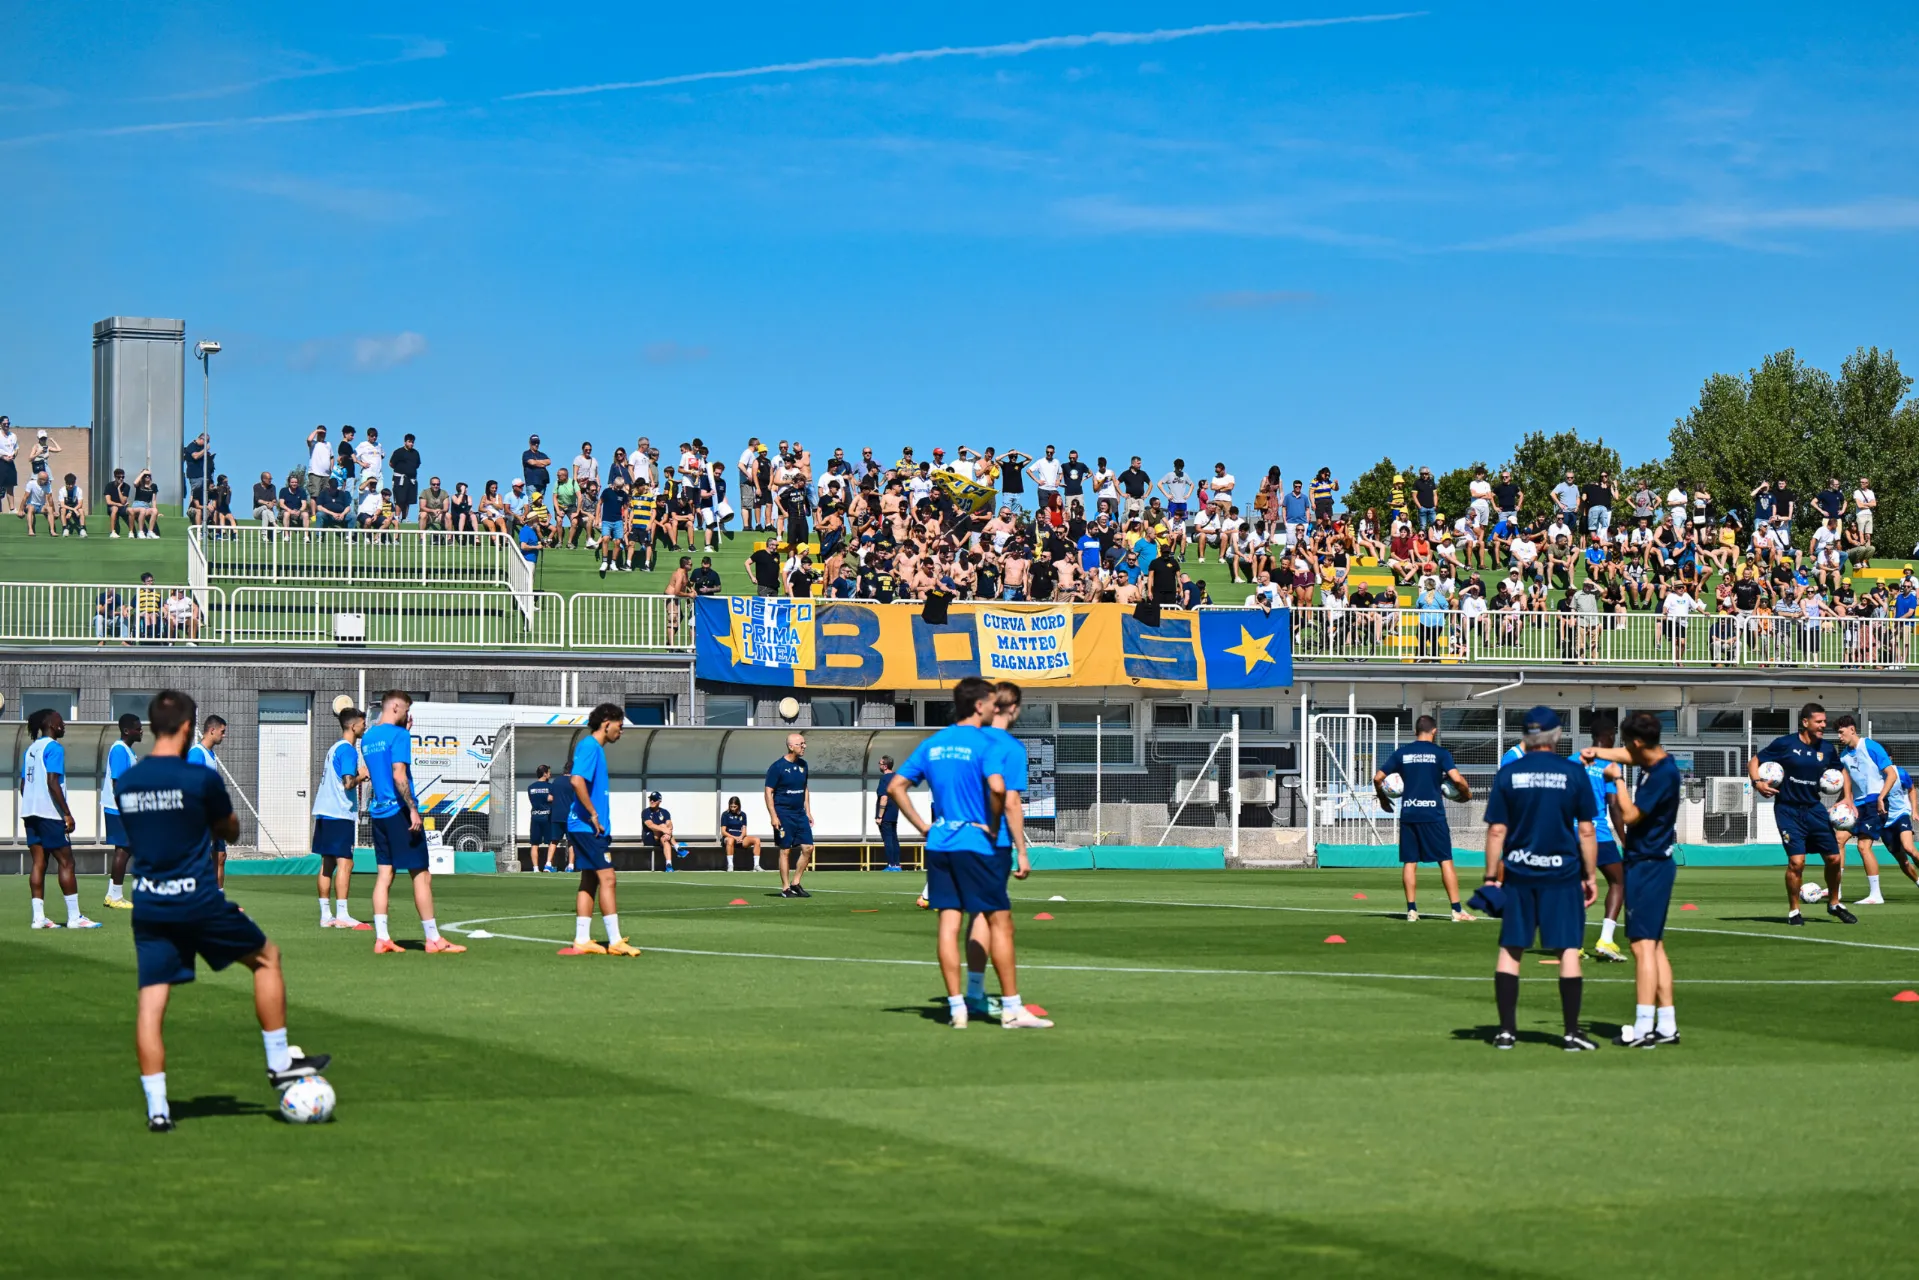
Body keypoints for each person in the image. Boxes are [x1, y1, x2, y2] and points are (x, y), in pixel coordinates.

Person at [123, 689, 332, 1132]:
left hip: (149, 904)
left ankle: (158, 1110)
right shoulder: (199, 778)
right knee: (266, 958)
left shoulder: (130, 781)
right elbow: (230, 832)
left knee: (152, 1003)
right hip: (196, 900)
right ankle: (279, 1061)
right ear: (186, 728)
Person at [888, 677, 1050, 1030]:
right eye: (991, 701)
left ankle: (957, 1007)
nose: (995, 707)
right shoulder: (987, 742)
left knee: (949, 923)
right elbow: (1000, 790)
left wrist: (923, 826)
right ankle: (1011, 1008)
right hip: (978, 843)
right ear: (979, 706)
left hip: (940, 842)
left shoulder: (934, 742)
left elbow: (896, 786)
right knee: (998, 921)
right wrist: (992, 825)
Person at [1482, 706, 1599, 1052]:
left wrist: (1491, 877)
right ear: (1557, 735)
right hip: (1562, 875)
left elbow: (1496, 831)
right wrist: (1590, 875)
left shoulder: (1509, 773)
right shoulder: (1573, 772)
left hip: (1519, 873)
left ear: (1525, 736)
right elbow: (1587, 830)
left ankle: (1506, 1032)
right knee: (1567, 949)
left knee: (1511, 949)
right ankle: (1571, 1033)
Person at [1581, 710, 1682, 1047]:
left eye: (1626, 744)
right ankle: (1666, 1026)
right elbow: (1626, 755)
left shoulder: (1661, 775)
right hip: (1653, 863)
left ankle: (1642, 1029)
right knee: (1655, 945)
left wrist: (1618, 780)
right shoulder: (1658, 760)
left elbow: (1630, 815)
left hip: (1647, 865)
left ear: (1638, 743)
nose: (1623, 751)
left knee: (1641, 946)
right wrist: (1597, 752)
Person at [362, 691, 465, 955]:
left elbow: (380, 767)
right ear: (396, 707)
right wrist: (413, 809)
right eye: (407, 710)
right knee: (421, 875)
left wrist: (403, 731)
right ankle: (433, 939)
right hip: (399, 811)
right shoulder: (400, 736)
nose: (408, 715)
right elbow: (398, 774)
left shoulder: (369, 736)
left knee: (384, 875)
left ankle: (382, 938)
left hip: (379, 813)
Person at [1750, 702, 1856, 925]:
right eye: (1819, 721)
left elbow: (1842, 771)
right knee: (1797, 862)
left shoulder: (1827, 749)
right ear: (1805, 722)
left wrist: (1847, 797)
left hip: (1814, 809)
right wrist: (1757, 782)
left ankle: (1834, 904)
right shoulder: (1785, 744)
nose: (1823, 725)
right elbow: (1755, 761)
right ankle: (1794, 911)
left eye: (1825, 721)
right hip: (1787, 809)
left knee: (1834, 858)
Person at [1374, 715, 1474, 923]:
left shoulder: (1402, 753)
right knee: (1445, 860)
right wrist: (1466, 794)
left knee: (1410, 862)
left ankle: (1411, 911)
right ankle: (1456, 911)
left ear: (1415, 731)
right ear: (1434, 731)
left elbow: (1378, 778)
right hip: (1432, 814)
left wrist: (1383, 800)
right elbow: (1457, 779)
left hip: (1410, 813)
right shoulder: (1440, 753)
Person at [560, 703, 641, 956]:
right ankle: (615, 940)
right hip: (587, 827)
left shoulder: (594, 748)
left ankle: (582, 939)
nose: (621, 731)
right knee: (608, 878)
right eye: (620, 725)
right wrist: (593, 815)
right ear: (607, 723)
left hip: (585, 827)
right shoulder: (590, 746)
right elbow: (576, 781)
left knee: (590, 879)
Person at [25, 708, 98, 930]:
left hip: (30, 813)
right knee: (67, 862)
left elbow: (23, 784)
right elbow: (52, 781)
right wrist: (66, 813)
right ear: (51, 725)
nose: (63, 724)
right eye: (60, 721)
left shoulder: (30, 749)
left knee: (39, 863)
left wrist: (32, 804)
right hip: (50, 814)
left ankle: (38, 918)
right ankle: (75, 917)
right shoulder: (54, 748)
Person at [1834, 713, 1900, 905]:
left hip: (1875, 803)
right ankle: (1836, 890)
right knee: (1838, 839)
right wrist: (1842, 802)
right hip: (1857, 806)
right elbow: (1848, 784)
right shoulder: (1844, 756)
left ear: (1852, 729)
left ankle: (1876, 894)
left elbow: (1891, 774)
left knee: (1863, 846)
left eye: (1841, 732)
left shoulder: (1870, 746)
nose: (1839, 736)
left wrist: (1881, 797)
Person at [312, 706, 369, 929]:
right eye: (363, 723)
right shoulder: (348, 750)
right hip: (339, 814)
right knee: (346, 862)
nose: (365, 727)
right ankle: (343, 914)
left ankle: (326, 915)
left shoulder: (334, 748)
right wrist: (361, 775)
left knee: (327, 864)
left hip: (324, 812)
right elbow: (348, 783)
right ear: (353, 726)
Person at [1583, 717, 1630, 963]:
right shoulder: (1609, 764)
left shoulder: (1573, 760)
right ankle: (1606, 939)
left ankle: (1572, 942)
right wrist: (1624, 839)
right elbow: (1614, 806)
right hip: (1597, 834)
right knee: (1618, 881)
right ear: (1610, 735)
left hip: (1570, 834)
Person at [100, 713, 143, 910]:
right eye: (137, 728)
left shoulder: (127, 750)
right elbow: (117, 783)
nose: (141, 731)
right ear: (127, 730)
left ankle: (112, 894)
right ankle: (115, 896)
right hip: (119, 809)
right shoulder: (119, 750)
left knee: (126, 849)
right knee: (123, 850)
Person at [765, 733, 816, 897]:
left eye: (804, 743)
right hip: (783, 814)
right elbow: (768, 791)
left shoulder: (803, 765)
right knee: (785, 850)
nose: (804, 746)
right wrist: (773, 816)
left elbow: (805, 788)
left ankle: (796, 883)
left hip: (799, 814)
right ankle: (786, 888)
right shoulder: (777, 767)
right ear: (791, 746)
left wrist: (808, 811)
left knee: (808, 848)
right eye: (801, 744)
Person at [186, 716, 229, 887]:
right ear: (212, 730)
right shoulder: (197, 753)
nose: (224, 735)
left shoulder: (211, 754)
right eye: (222, 731)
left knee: (220, 856)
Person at [526, 765, 559, 873]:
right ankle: (548, 866)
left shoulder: (531, 787)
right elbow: (551, 799)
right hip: (547, 817)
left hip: (535, 816)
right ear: (545, 774)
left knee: (534, 844)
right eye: (549, 772)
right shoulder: (550, 787)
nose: (550, 774)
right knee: (552, 842)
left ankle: (535, 868)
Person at [875, 754, 903, 871]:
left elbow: (884, 797)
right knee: (894, 838)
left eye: (880, 763)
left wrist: (879, 816)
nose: (879, 765)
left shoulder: (884, 779)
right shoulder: (897, 777)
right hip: (894, 812)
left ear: (885, 766)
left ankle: (891, 864)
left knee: (888, 840)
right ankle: (897, 864)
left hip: (886, 814)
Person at [720, 796, 762, 872]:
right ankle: (730, 865)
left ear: (738, 806)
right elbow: (723, 832)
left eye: (735, 807)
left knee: (757, 840)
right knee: (730, 840)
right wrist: (735, 837)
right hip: (729, 838)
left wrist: (741, 837)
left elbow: (744, 830)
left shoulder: (743, 815)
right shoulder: (725, 814)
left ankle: (756, 865)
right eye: (731, 806)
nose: (733, 808)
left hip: (740, 839)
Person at [642, 791, 679, 871]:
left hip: (662, 837)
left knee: (665, 839)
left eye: (654, 799)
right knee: (662, 826)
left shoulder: (665, 812)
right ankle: (677, 847)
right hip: (650, 838)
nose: (652, 801)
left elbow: (670, 825)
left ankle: (669, 865)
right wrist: (664, 829)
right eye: (651, 799)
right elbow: (650, 825)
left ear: (659, 801)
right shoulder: (646, 812)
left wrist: (667, 833)